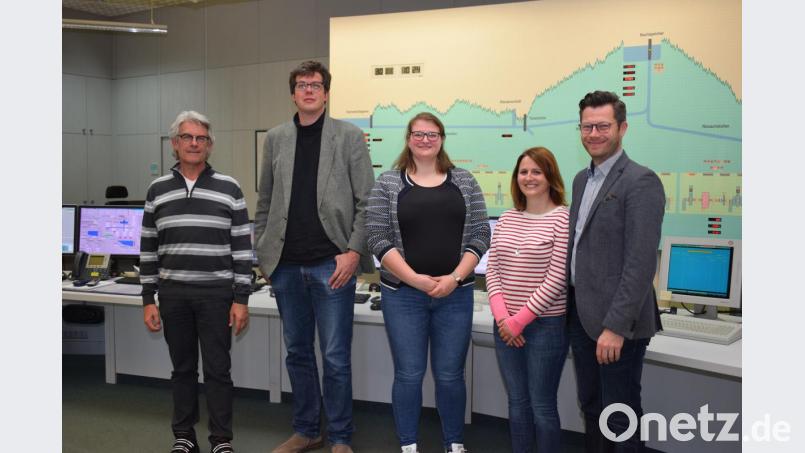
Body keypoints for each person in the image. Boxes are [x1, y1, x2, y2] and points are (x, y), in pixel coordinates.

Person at [254, 61, 375, 453]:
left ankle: (340, 437)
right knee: (298, 353)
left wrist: (354, 252)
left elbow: (367, 202)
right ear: (293, 93)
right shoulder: (275, 139)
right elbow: (265, 201)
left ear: (326, 93)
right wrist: (264, 253)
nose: (308, 90)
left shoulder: (350, 137)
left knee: (336, 357)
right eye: (301, 85)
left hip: (332, 265)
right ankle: (307, 430)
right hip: (286, 266)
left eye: (316, 85)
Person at [366, 112, 491, 453]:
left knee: (450, 376)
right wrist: (416, 280)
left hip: (456, 295)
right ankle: (408, 444)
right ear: (408, 139)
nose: (425, 139)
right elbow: (377, 237)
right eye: (419, 134)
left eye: (432, 134)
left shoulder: (464, 181)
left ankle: (454, 442)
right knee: (408, 374)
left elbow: (481, 235)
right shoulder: (388, 183)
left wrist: (454, 278)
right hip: (403, 296)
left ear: (441, 139)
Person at [140, 110, 251, 453]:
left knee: (219, 371)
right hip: (174, 294)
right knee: (182, 369)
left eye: (200, 138)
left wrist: (241, 298)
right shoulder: (157, 190)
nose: (193, 143)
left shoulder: (229, 187)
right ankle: (184, 436)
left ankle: (221, 440)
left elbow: (242, 246)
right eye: (187, 137)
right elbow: (148, 246)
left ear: (209, 145)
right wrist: (147, 298)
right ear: (174, 144)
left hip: (217, 294)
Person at [567, 91, 665, 452]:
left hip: (616, 323)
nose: (593, 133)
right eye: (587, 126)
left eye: (602, 126)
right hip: (581, 314)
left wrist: (615, 327)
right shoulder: (581, 179)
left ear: (622, 127)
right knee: (591, 406)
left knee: (619, 414)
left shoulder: (640, 181)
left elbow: (640, 263)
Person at [486, 147, 569, 452]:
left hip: (545, 326)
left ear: (550, 177)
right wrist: (504, 319)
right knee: (517, 402)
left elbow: (558, 278)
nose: (529, 177)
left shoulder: (563, 218)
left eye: (537, 171)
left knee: (542, 406)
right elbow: (492, 269)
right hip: (505, 325)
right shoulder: (507, 218)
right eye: (523, 171)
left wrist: (519, 321)